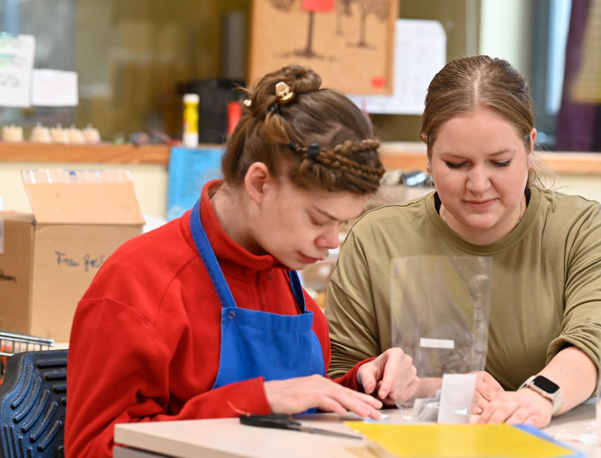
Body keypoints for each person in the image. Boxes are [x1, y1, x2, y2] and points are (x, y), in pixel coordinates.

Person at [66, 65, 419, 457]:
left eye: (342, 223)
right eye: (319, 219)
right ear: (259, 184)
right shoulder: (139, 284)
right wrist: (255, 401)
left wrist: (361, 387)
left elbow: (299, 408)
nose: (331, 242)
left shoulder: (284, 274)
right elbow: (92, 448)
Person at [325, 55, 601, 428]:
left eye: (500, 162)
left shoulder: (577, 229)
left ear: (530, 146)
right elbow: (341, 374)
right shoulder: (378, 239)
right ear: (428, 153)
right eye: (456, 164)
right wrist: (423, 386)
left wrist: (539, 397)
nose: (478, 185)